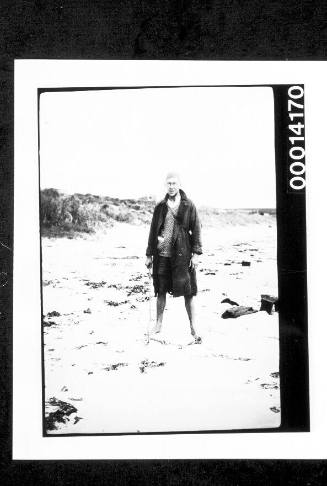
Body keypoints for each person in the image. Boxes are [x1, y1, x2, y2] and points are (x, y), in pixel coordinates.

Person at [145, 172, 202, 343]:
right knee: (160, 290)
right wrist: (149, 254)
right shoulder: (160, 207)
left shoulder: (189, 205)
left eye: (174, 183)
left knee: (189, 292)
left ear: (179, 185)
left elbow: (197, 230)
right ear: (165, 185)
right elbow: (153, 231)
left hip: (182, 256)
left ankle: (193, 327)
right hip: (162, 255)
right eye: (168, 183)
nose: (171, 186)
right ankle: (158, 324)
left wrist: (196, 254)